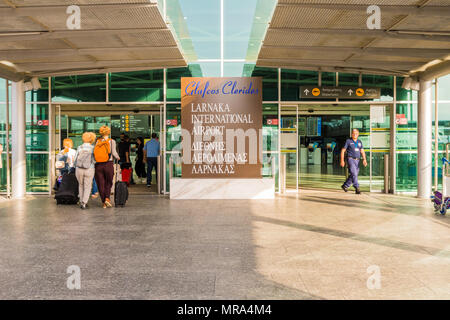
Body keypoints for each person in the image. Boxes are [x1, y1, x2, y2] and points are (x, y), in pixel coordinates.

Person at [94, 126, 120, 209]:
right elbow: (114, 152)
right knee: (109, 182)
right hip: (108, 164)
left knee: (100, 183)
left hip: (98, 165)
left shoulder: (97, 141)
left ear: (101, 132)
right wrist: (118, 157)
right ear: (108, 132)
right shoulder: (112, 141)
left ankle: (103, 202)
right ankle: (107, 198)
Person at [340, 128, 368, 194]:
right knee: (354, 173)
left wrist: (364, 159)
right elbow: (343, 150)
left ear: (358, 134)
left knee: (354, 174)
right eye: (353, 133)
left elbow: (362, 151)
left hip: (357, 160)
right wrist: (342, 160)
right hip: (350, 159)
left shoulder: (359, 142)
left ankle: (345, 185)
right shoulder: (348, 141)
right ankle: (357, 187)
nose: (355, 134)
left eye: (356, 133)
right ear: (351, 134)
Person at [74, 132, 96, 210]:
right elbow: (94, 160)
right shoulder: (93, 148)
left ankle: (81, 201)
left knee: (81, 185)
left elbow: (75, 159)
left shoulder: (79, 147)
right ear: (92, 139)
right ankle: (84, 203)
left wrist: (74, 166)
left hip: (79, 168)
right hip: (89, 168)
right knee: (87, 186)